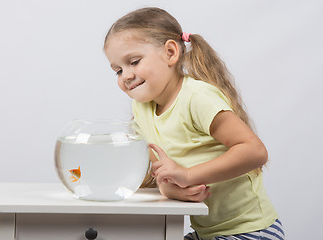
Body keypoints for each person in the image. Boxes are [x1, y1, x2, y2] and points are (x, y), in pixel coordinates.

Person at [104, 7, 284, 240]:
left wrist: (188, 176)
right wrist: (167, 187)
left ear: (170, 52)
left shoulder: (196, 97)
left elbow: (255, 151)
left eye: (134, 62)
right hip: (206, 233)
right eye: (118, 70)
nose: (126, 75)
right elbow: (162, 173)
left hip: (251, 230)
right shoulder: (142, 110)